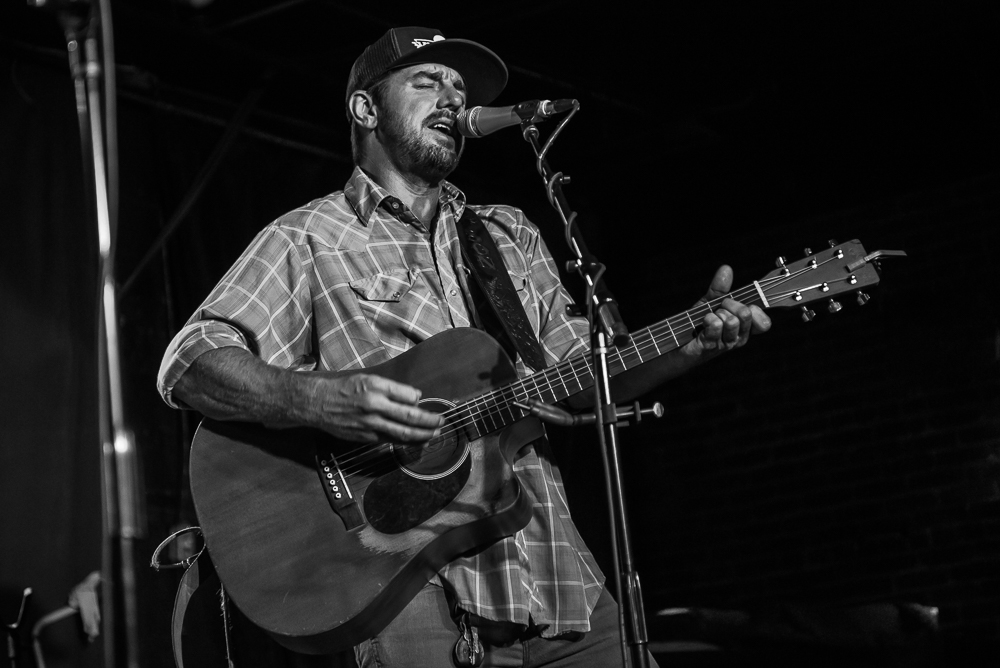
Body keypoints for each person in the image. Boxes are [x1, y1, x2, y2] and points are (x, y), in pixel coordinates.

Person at [157, 26, 771, 668]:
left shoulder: (508, 235)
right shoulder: (309, 237)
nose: (452, 98)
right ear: (366, 109)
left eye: (459, 89)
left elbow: (582, 379)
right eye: (427, 82)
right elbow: (189, 362)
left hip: (557, 577)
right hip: (412, 592)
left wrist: (690, 344)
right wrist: (316, 399)